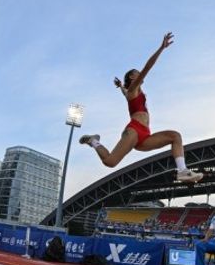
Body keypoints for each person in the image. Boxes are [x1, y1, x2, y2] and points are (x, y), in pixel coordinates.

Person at [79, 32, 203, 183]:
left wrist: (120, 87)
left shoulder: (131, 92)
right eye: (137, 73)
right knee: (110, 162)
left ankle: (182, 171)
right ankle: (94, 141)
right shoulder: (133, 89)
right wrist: (161, 48)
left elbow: (125, 92)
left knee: (175, 136)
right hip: (134, 130)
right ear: (132, 77)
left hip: (145, 135)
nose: (141, 74)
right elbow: (148, 67)